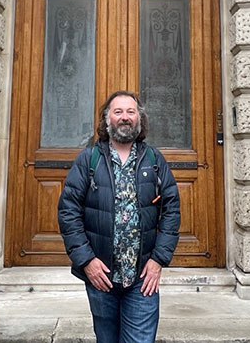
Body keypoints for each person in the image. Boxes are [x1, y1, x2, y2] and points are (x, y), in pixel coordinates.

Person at [58, 91, 181, 343]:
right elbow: (68, 213)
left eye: (131, 112)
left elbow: (171, 211)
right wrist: (86, 261)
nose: (125, 117)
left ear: (139, 119)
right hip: (101, 276)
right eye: (118, 112)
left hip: (142, 278)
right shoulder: (88, 160)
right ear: (107, 120)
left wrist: (158, 259)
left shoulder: (154, 160)